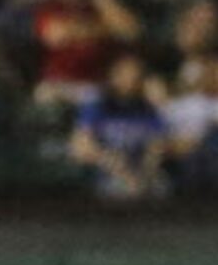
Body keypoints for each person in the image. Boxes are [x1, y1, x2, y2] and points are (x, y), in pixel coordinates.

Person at [71, 51, 173, 201]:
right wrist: (110, 162)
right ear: (113, 76)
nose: (132, 79)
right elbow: (81, 146)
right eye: (126, 74)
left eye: (137, 75)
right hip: (107, 171)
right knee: (121, 189)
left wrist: (145, 173)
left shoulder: (149, 108)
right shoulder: (98, 104)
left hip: (139, 171)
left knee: (161, 185)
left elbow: (156, 147)